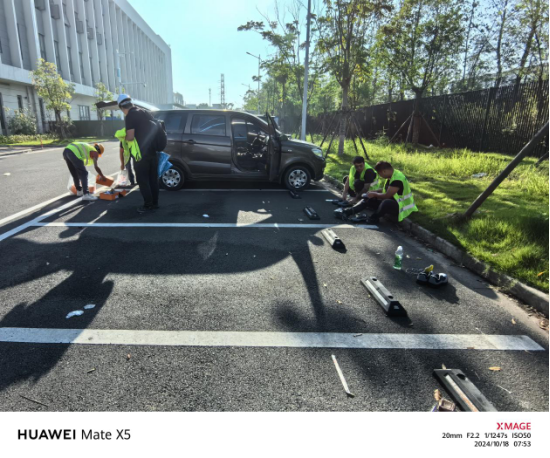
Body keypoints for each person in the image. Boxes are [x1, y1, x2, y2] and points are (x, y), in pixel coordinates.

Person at [118, 94, 160, 213]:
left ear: (122, 107)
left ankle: (148, 205)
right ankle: (155, 203)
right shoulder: (145, 112)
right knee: (153, 179)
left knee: (142, 180)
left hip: (141, 154)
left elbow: (130, 137)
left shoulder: (130, 116)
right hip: (153, 152)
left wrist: (123, 137)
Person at [343, 161, 418, 224]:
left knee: (386, 202)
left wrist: (374, 194)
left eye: (379, 173)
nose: (380, 176)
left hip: (402, 207)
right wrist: (374, 192)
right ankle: (348, 212)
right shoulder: (392, 174)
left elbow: (387, 196)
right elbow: (387, 189)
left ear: (384, 171)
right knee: (368, 198)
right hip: (395, 201)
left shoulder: (397, 179)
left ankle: (373, 218)